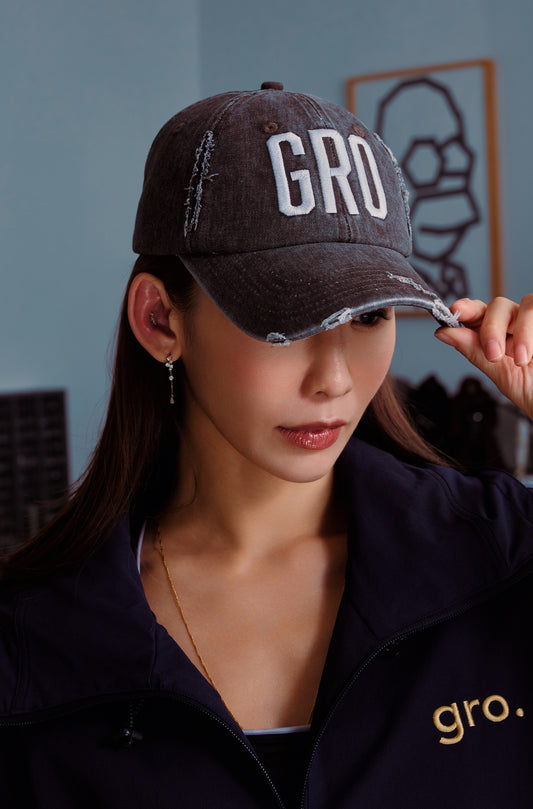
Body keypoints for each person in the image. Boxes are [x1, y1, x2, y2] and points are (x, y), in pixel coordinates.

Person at [0, 82, 532, 809]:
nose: (334, 379)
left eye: (369, 315)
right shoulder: (33, 638)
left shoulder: (503, 553)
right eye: (286, 319)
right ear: (160, 320)